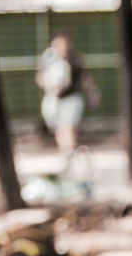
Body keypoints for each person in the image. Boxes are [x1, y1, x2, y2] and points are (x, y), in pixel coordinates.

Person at [36, 29, 98, 162]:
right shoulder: (49, 60)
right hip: (54, 100)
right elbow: (40, 77)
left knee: (67, 126)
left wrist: (92, 94)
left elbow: (86, 79)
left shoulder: (74, 59)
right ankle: (66, 153)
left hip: (71, 98)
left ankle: (70, 153)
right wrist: (49, 85)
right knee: (59, 129)